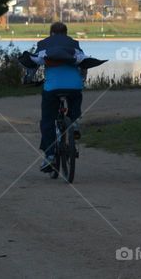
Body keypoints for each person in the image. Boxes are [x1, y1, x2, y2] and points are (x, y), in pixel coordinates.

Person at [30, 22, 86, 173]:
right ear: (66, 33)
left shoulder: (44, 45)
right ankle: (74, 122)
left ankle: (49, 156)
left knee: (48, 120)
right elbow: (84, 62)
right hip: (74, 86)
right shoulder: (74, 44)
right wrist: (83, 80)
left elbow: (34, 63)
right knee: (76, 96)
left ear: (51, 33)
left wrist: (28, 78)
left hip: (53, 88)